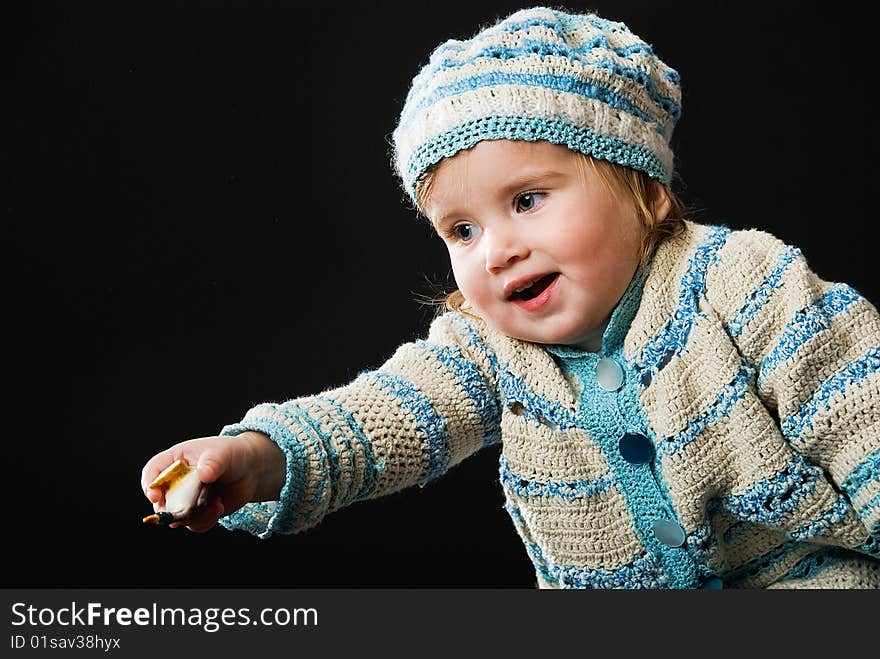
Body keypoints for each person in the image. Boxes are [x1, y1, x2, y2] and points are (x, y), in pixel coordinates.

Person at [141, 5, 880, 588]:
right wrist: (257, 457)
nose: (496, 249)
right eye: (461, 229)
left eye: (527, 199)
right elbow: (375, 421)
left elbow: (861, 417)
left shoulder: (743, 281)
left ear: (647, 191)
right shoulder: (491, 346)